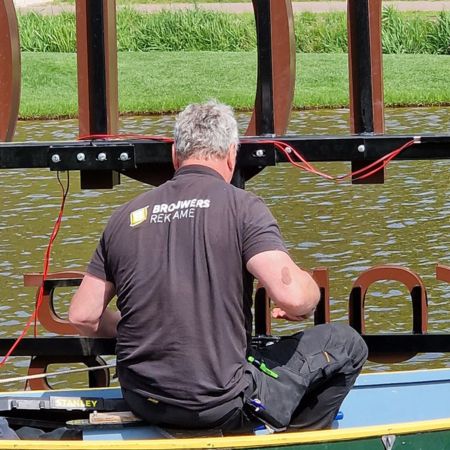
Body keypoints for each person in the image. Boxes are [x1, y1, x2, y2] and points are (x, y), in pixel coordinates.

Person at [69, 101, 368, 432]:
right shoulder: (243, 208)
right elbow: (296, 299)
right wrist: (306, 290)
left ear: (175, 157)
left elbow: (83, 315)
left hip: (144, 399)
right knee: (346, 344)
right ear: (231, 155)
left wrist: (136, 328)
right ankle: (297, 438)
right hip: (218, 405)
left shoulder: (124, 217)